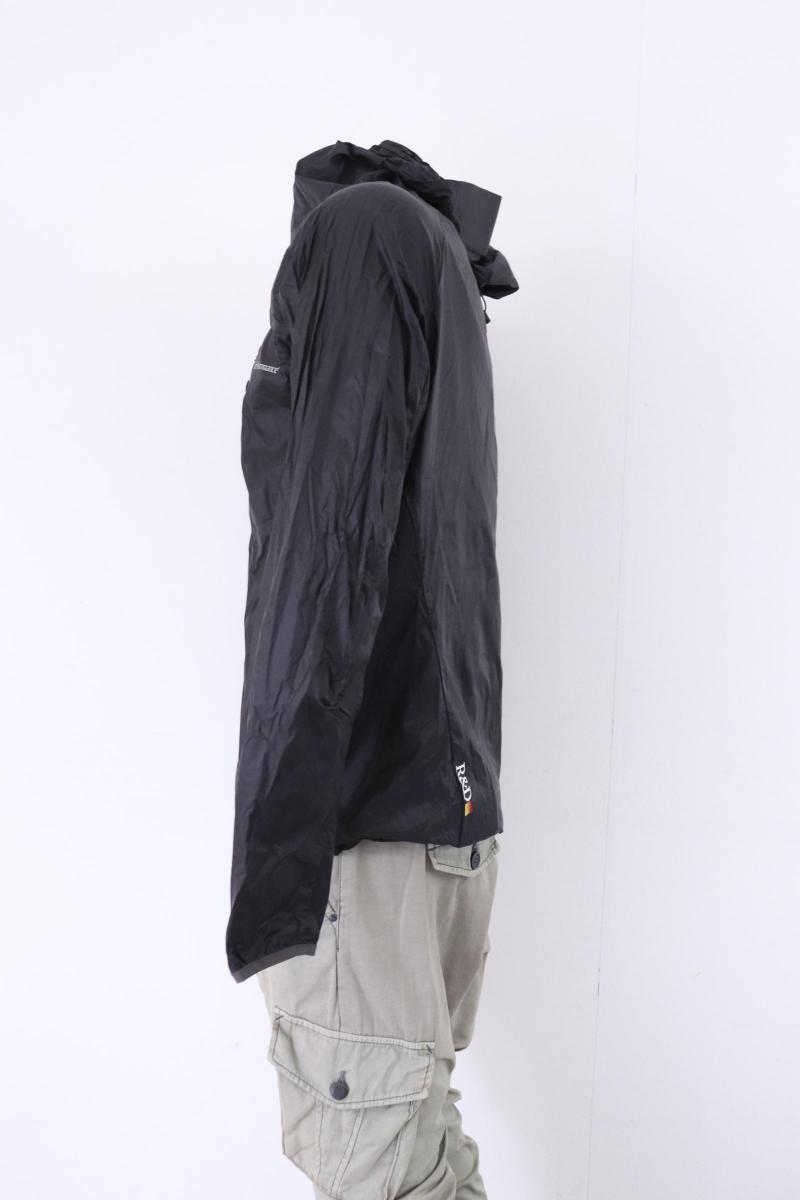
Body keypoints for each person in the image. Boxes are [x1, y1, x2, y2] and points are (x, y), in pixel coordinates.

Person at [227, 139, 518, 1198]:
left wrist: (286, 826)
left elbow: (330, 540)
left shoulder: (360, 238)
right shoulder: (431, 257)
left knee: (385, 1172)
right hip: (435, 805)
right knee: (417, 1160)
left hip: (362, 817)